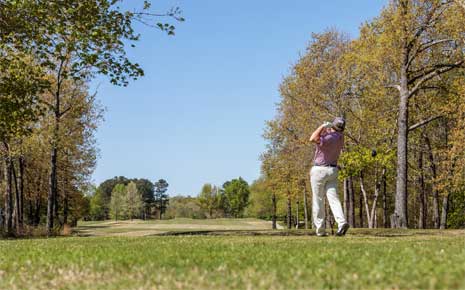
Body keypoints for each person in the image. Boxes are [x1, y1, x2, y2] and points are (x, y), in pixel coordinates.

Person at [309, 117, 349, 236]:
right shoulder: (340, 138)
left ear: (333, 126)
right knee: (334, 199)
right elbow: (332, 134)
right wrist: (330, 128)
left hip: (320, 171)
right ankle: (341, 222)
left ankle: (320, 230)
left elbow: (312, 138)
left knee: (318, 200)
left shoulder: (328, 138)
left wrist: (322, 126)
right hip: (333, 170)